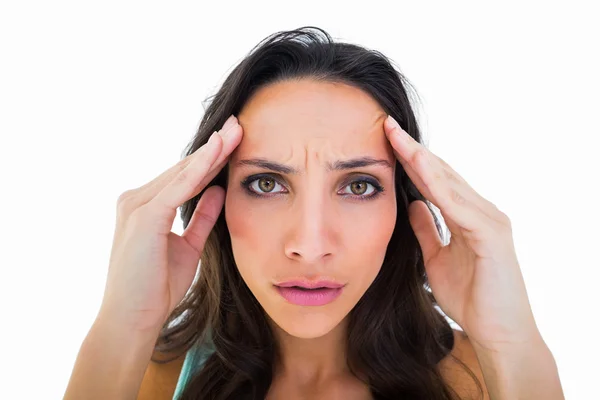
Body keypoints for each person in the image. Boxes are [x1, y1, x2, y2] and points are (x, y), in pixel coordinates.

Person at [64, 26, 564, 400]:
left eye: (359, 185)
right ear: (212, 197)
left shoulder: (483, 378)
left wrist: (510, 342)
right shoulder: (146, 378)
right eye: (266, 183)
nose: (310, 243)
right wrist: (123, 327)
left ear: (406, 205)